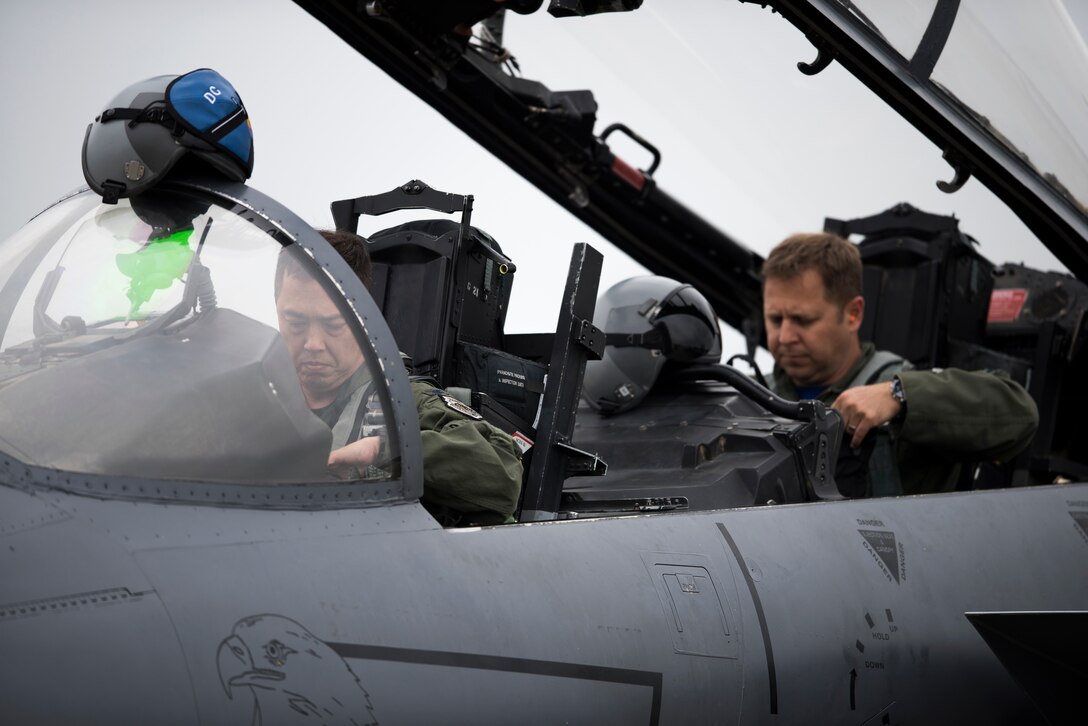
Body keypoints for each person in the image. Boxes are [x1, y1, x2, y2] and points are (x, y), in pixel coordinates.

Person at [274, 229, 523, 525]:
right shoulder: (258, 400)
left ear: (361, 318)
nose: (313, 343)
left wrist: (384, 449)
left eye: (333, 324)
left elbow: (502, 472)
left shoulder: (405, 401)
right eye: (296, 322)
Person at [761, 232, 1039, 497]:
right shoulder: (751, 395)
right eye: (775, 320)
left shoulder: (898, 386)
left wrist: (900, 396)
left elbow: (1020, 413)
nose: (785, 337)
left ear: (853, 314)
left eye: (803, 320)